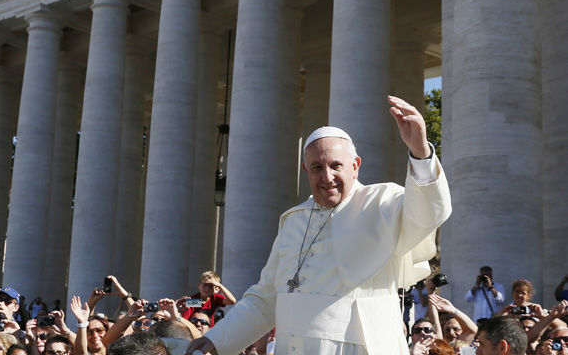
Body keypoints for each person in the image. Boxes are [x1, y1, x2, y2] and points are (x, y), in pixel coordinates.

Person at [185, 95, 452, 355]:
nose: (327, 177)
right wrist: (215, 340)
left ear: (355, 166)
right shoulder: (294, 220)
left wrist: (420, 152)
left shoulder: (383, 202)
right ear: (306, 171)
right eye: (317, 167)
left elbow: (428, 213)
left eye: (336, 165)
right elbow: (266, 299)